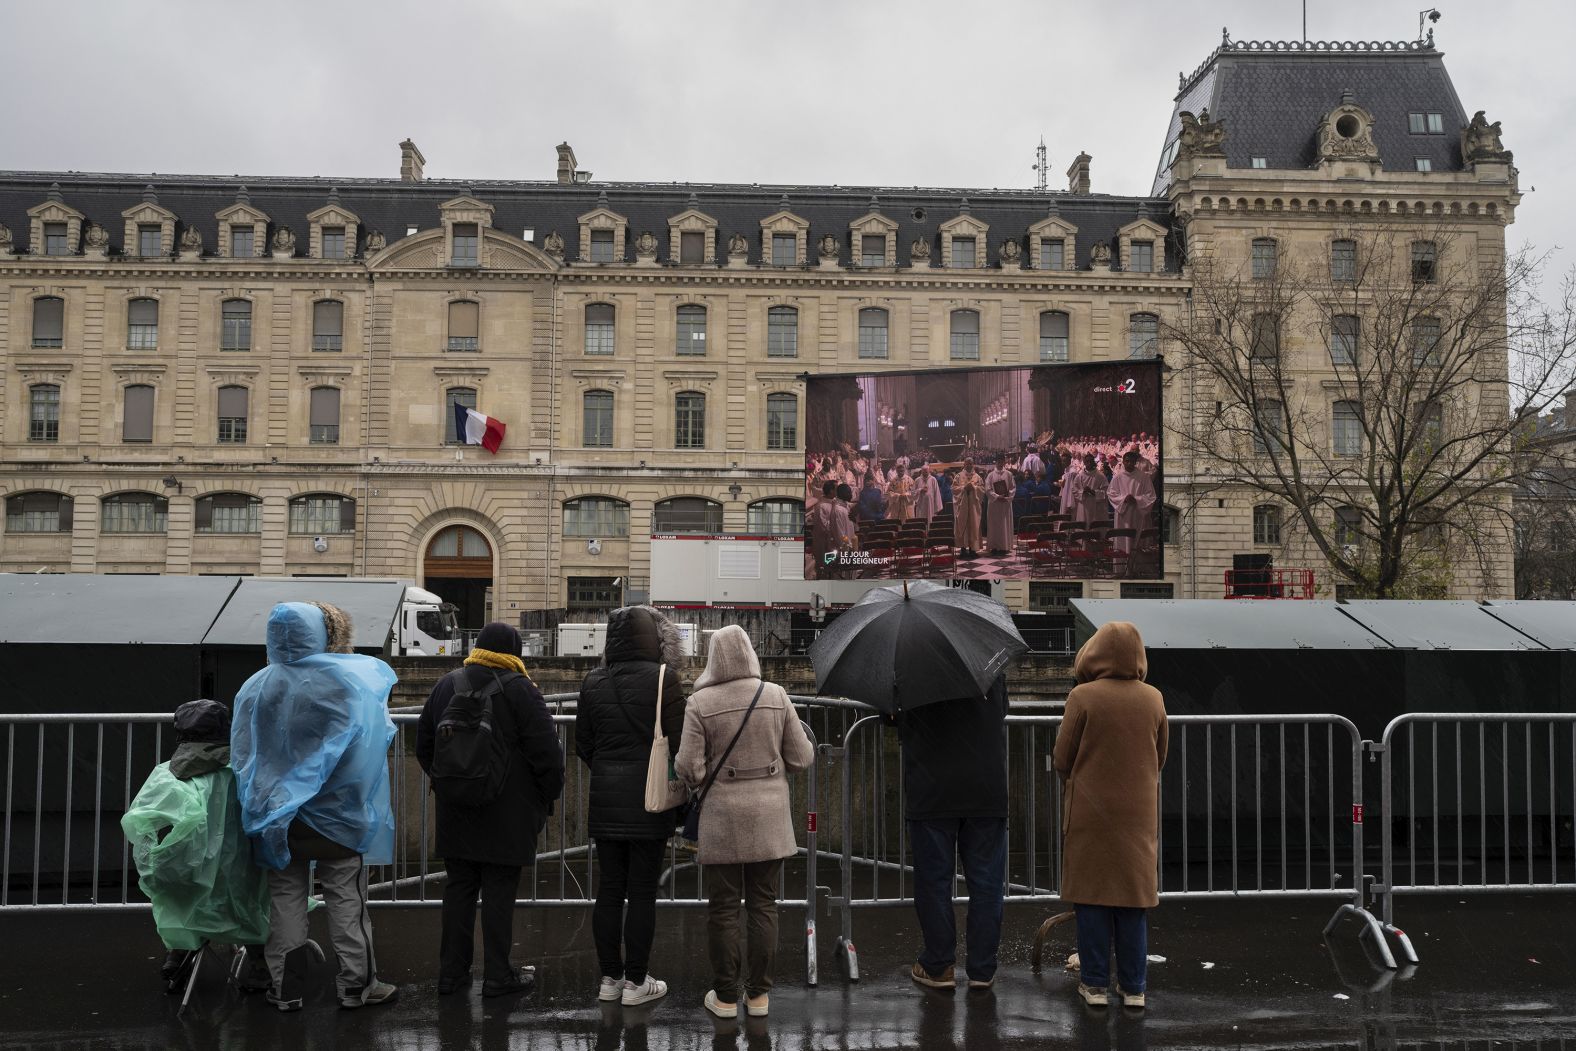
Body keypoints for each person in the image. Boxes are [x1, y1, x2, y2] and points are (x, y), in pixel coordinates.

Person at [232, 602, 400, 1012]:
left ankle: (286, 989)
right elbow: (361, 751)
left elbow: (243, 753)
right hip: (335, 815)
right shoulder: (346, 682)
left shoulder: (255, 686)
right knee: (346, 898)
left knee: (285, 900)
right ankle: (357, 986)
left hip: (276, 816)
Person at [416, 622, 565, 999]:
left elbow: (423, 744)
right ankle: (498, 975)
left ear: (477, 647)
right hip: (507, 811)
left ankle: (452, 975)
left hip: (456, 809)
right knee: (499, 892)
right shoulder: (521, 689)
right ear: (514, 652)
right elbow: (547, 753)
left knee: (459, 889)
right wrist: (546, 796)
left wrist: (450, 782)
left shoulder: (447, 684)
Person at [675, 626, 814, 1020]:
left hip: (721, 817)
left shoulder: (700, 702)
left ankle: (723, 997)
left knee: (722, 908)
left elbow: (688, 766)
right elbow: (802, 758)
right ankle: (758, 997)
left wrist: (707, 778)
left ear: (714, 658)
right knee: (763, 905)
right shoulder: (775, 695)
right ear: (750, 654)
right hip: (769, 817)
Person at [575, 606, 688, 1006]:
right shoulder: (664, 678)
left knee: (609, 889)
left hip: (606, 800)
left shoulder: (592, 680)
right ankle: (637, 982)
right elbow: (679, 742)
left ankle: (610, 978)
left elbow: (583, 744)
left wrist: (608, 769)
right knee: (642, 892)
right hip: (650, 802)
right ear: (653, 639)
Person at [1053, 621, 1168, 1009]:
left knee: (1092, 899)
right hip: (1139, 813)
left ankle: (1095, 984)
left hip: (1091, 810)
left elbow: (1061, 758)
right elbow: (1161, 756)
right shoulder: (1154, 698)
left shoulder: (1083, 697)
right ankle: (1134, 987)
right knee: (1133, 902)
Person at [121, 698, 271, 993]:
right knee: (251, 896)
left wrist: (155, 859)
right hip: (242, 879)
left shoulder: (168, 773)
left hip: (189, 877)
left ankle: (179, 950)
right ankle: (259, 964)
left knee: (182, 895)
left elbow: (140, 823)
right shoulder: (244, 771)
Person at [898, 676, 1010, 991]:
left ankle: (938, 965)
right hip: (986, 790)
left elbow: (894, 714)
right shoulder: (989, 668)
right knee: (987, 884)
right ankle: (982, 969)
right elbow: (1002, 709)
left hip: (932, 790)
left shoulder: (914, 670)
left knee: (934, 882)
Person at [1107, 449, 1158, 554]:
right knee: (1123, 541)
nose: (1129, 463)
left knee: (1137, 540)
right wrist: (1124, 499)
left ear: (1136, 462)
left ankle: (1138, 568)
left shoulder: (1143, 477)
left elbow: (1151, 496)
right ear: (1123, 462)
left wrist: (1137, 499)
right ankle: (1122, 567)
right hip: (1123, 514)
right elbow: (1111, 494)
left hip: (1137, 513)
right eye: (1127, 461)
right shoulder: (1118, 477)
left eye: (1131, 461)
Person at [951, 459, 985, 558]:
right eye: (967, 463)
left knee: (974, 526)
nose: (969, 465)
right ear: (964, 464)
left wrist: (974, 488)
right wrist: (963, 488)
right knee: (963, 526)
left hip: (974, 507)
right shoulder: (958, 476)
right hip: (962, 507)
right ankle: (963, 549)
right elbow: (953, 489)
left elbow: (982, 489)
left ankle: (973, 549)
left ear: (973, 464)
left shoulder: (977, 477)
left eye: (971, 463)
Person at [985, 456, 1016, 556]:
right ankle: (994, 546)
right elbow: (987, 489)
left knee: (1004, 524)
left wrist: (1006, 497)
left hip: (1005, 504)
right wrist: (997, 496)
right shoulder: (990, 475)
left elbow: (1013, 488)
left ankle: (1004, 546)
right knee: (994, 525)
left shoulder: (1009, 474)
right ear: (996, 462)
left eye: (1001, 461)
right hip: (994, 504)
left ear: (1004, 462)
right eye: (998, 461)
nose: (1000, 463)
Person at [1076, 453, 1110, 525]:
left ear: (1093, 462)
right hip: (1084, 506)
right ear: (1084, 463)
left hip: (1096, 506)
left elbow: (1106, 492)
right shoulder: (1079, 476)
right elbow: (1074, 490)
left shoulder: (1100, 476)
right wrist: (1082, 492)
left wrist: (1093, 492)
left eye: (1091, 461)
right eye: (1087, 461)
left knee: (1095, 528)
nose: (1089, 463)